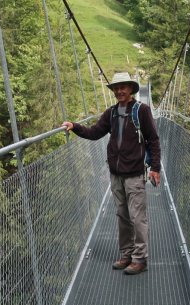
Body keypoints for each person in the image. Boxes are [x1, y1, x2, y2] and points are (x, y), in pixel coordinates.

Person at [61, 72, 161, 275]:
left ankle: (140, 258)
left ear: (131, 89)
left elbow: (153, 140)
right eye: (116, 88)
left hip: (134, 174)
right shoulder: (111, 113)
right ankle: (127, 254)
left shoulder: (142, 111)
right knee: (122, 216)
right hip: (116, 174)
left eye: (123, 87)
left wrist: (156, 168)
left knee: (137, 217)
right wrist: (75, 127)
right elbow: (95, 132)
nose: (119, 91)